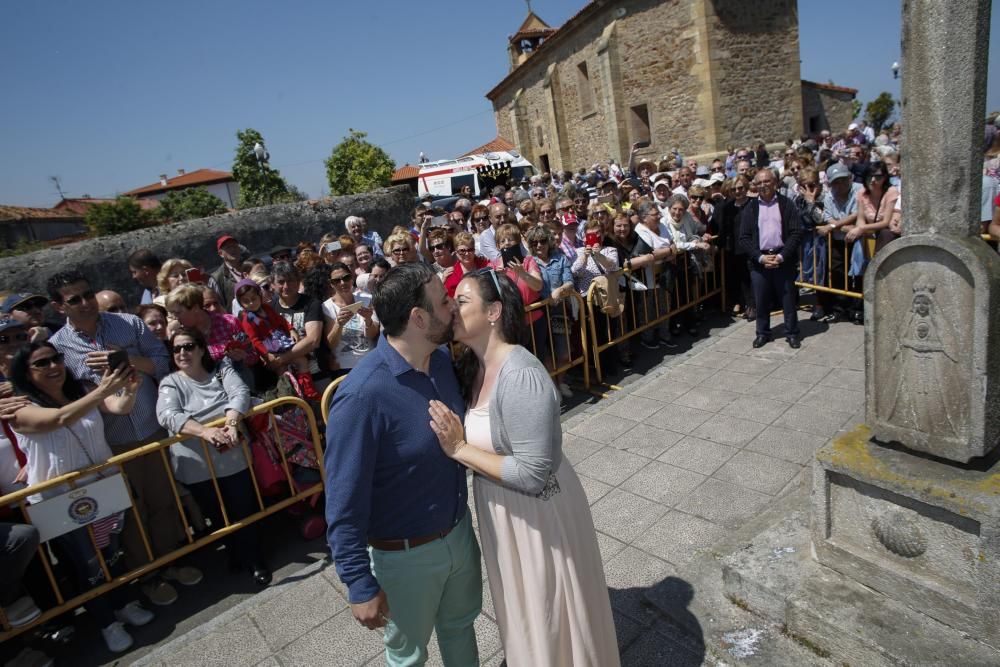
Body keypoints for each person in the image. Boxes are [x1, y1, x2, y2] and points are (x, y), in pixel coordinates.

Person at [428, 269, 619, 666]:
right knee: (530, 613)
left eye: (462, 301)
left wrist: (460, 449)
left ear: (494, 311)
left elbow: (533, 475)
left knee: (550, 611)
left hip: (539, 516)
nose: (452, 309)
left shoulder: (522, 375)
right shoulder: (475, 367)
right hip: (508, 515)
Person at [325, 262, 481, 666]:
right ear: (418, 317)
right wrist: (359, 582)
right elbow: (343, 499)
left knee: (461, 628)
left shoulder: (442, 360)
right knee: (409, 656)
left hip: (459, 534)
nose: (453, 307)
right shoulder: (362, 397)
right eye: (444, 301)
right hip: (405, 558)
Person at [47, 271, 199, 604]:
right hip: (110, 443)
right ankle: (148, 574)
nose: (86, 303)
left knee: (163, 501)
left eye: (88, 294)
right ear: (59, 307)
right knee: (131, 512)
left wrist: (129, 360)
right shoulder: (57, 348)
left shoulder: (128, 324)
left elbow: (163, 362)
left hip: (151, 429)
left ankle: (172, 560)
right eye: (75, 299)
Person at [10, 343, 155, 653]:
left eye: (56, 358)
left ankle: (123, 603)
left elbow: (120, 408)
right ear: (26, 373)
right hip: (59, 500)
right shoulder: (20, 409)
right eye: (42, 363)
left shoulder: (82, 391)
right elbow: (60, 418)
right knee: (86, 565)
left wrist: (129, 389)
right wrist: (103, 391)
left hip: (102, 489)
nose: (53, 366)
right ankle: (106, 623)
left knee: (112, 554)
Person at [156, 328, 270, 586]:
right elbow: (168, 415)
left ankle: (255, 558)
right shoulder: (170, 383)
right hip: (197, 467)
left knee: (244, 509)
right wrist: (205, 431)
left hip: (233, 459)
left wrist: (230, 422)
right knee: (216, 515)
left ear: (200, 348)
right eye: (176, 349)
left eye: (188, 346)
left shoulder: (222, 369)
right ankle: (234, 554)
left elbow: (239, 393)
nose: (183, 353)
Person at [739, 168, 804, 349]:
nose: (763, 185)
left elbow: (796, 232)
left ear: (775, 183)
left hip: (782, 259)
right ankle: (763, 333)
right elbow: (744, 238)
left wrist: (782, 256)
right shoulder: (750, 208)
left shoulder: (786, 204)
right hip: (759, 262)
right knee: (761, 300)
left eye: (766, 181)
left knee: (788, 299)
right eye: (759, 182)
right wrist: (759, 257)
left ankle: (791, 333)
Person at [321, 263, 378, 377]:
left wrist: (368, 320)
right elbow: (331, 344)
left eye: (346, 278)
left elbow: (373, 335)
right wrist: (339, 324)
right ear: (331, 284)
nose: (343, 283)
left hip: (370, 363)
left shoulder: (367, 299)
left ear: (352, 277)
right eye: (337, 281)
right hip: (343, 368)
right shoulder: (327, 307)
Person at [443, 231, 489, 298]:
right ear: (456, 252)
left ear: (474, 250)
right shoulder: (451, 276)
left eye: (470, 250)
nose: (467, 253)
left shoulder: (486, 265)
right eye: (462, 251)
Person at [211, 235, 246, 307]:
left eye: (235, 246)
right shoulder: (217, 278)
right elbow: (218, 304)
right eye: (228, 247)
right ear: (221, 254)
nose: (233, 249)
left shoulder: (250, 266)